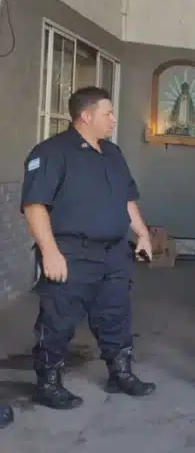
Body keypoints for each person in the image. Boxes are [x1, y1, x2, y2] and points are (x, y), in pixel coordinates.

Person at [21, 86, 155, 410]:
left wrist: (142, 233)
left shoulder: (113, 153)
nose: (113, 119)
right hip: (71, 252)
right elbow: (34, 205)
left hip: (114, 253)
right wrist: (50, 252)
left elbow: (126, 198)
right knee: (59, 319)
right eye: (107, 113)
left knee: (115, 315)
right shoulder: (52, 152)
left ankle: (120, 372)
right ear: (86, 115)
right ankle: (48, 383)